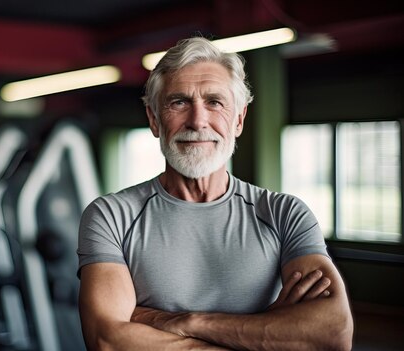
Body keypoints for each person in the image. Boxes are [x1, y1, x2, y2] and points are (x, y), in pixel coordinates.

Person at [77, 36, 353, 351]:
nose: (197, 121)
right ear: (154, 120)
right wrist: (266, 336)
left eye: (214, 102)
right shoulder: (112, 217)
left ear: (238, 119)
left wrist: (187, 322)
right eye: (179, 102)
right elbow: (107, 341)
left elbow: (332, 336)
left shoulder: (286, 214)